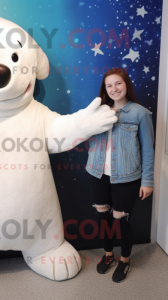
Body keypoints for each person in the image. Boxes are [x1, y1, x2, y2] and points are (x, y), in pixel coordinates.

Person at [85, 68, 155, 283]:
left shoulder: (139, 113)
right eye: (109, 85)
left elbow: (148, 149)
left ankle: (125, 260)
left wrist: (148, 180)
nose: (114, 89)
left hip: (127, 177)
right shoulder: (98, 112)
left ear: (126, 85)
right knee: (103, 219)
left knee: (121, 221)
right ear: (104, 89)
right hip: (97, 174)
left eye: (118, 83)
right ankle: (108, 255)